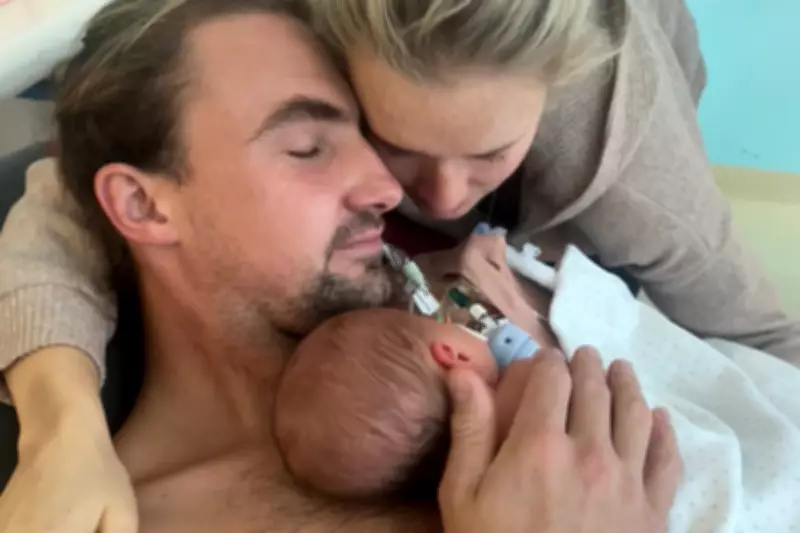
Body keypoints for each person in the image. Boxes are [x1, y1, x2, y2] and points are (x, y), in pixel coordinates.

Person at [0, 0, 790, 528]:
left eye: (363, 134)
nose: (395, 190)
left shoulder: (461, 295)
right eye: (307, 147)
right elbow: (56, 192)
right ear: (142, 205)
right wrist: (59, 423)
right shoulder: (110, 511)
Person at [277, 237, 800, 532]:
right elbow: (606, 340)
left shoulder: (482, 498)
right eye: (432, 321)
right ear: (451, 353)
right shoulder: (533, 382)